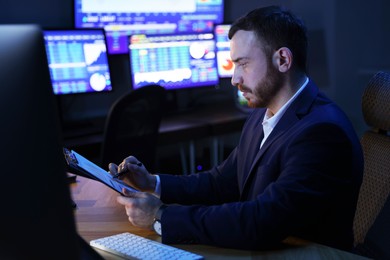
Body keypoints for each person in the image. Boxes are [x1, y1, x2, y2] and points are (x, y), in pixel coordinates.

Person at [108, 5, 364, 251]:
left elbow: (263, 220)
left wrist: (161, 214)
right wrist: (153, 182)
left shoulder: (322, 132)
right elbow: (220, 183)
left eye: (243, 64)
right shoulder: (261, 116)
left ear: (283, 59)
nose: (234, 79)